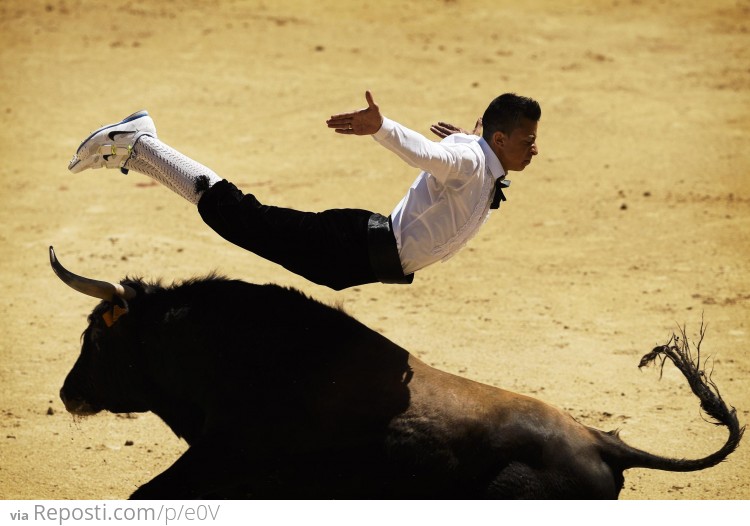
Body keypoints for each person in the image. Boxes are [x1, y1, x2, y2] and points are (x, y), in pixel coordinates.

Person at [68, 91, 540, 290]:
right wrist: (384, 128)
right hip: (353, 244)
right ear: (499, 139)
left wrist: (470, 144)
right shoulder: (472, 160)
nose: (534, 150)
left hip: (359, 261)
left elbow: (461, 165)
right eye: (528, 140)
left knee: (247, 226)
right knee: (245, 220)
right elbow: (429, 156)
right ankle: (141, 144)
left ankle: (140, 147)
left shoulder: (481, 160)